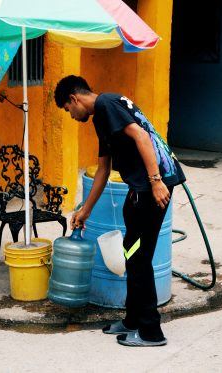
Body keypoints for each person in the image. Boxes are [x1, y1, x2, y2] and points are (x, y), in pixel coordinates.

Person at [54, 75, 186, 347]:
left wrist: (156, 181)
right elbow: (103, 169)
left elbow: (140, 135)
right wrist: (85, 210)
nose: (72, 116)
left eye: (69, 111)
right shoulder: (103, 117)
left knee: (138, 257)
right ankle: (132, 320)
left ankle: (151, 331)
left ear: (74, 99)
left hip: (151, 187)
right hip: (141, 188)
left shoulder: (106, 104)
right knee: (132, 250)